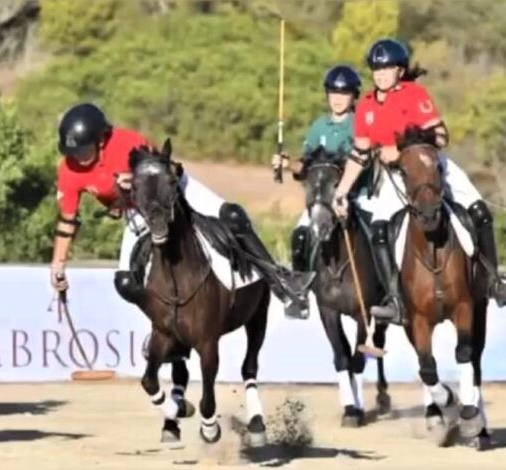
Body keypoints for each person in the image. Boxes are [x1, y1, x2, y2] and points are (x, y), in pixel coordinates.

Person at [50, 102, 314, 317]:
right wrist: (58, 266)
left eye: (83, 150)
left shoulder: (127, 142)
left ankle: (282, 282)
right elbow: (67, 220)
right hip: (139, 210)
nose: (78, 158)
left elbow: (165, 172)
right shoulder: (69, 170)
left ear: (100, 141)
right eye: (73, 152)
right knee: (126, 283)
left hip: (173, 189)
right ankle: (164, 324)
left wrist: (136, 178)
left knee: (233, 216)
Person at [331, 38, 506, 325]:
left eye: (387, 68)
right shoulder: (366, 107)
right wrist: (341, 191)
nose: (381, 74)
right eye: (376, 69)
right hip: (395, 178)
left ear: (400, 70)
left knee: (480, 211)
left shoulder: (414, 94)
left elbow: (441, 137)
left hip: (430, 168)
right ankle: (394, 300)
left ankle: (492, 280)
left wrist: (400, 149)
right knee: (378, 231)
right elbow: (359, 153)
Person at [273, 65, 367, 278]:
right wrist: (287, 164)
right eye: (333, 92)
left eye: (344, 93)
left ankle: (389, 286)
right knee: (299, 236)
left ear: (354, 96)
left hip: (356, 196)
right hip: (321, 199)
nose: (337, 98)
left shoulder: (359, 124)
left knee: (378, 235)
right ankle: (300, 285)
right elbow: (305, 167)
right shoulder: (319, 127)